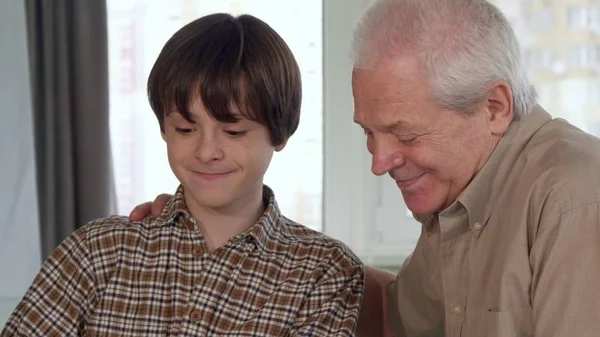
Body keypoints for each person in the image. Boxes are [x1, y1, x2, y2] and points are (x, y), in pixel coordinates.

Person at [131, 0, 600, 336]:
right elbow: (395, 315)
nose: (379, 162)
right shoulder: (462, 201)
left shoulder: (572, 199)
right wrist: (211, 239)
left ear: (494, 107)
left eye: (406, 134)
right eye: (368, 133)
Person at [1, 13, 364, 336]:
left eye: (233, 132)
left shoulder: (323, 273)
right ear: (163, 128)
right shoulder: (98, 251)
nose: (206, 152)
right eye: (185, 130)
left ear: (280, 132)